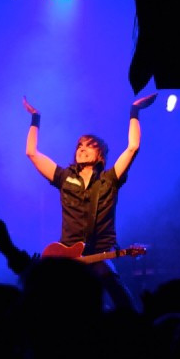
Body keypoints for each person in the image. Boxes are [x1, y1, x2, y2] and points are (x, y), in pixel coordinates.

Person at [22, 92, 157, 309]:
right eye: (79, 146)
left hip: (101, 252)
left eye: (89, 145)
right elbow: (31, 152)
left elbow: (133, 147)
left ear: (100, 155)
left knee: (119, 298)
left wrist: (134, 111)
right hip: (68, 253)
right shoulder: (64, 177)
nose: (82, 148)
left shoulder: (110, 179)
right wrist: (35, 117)